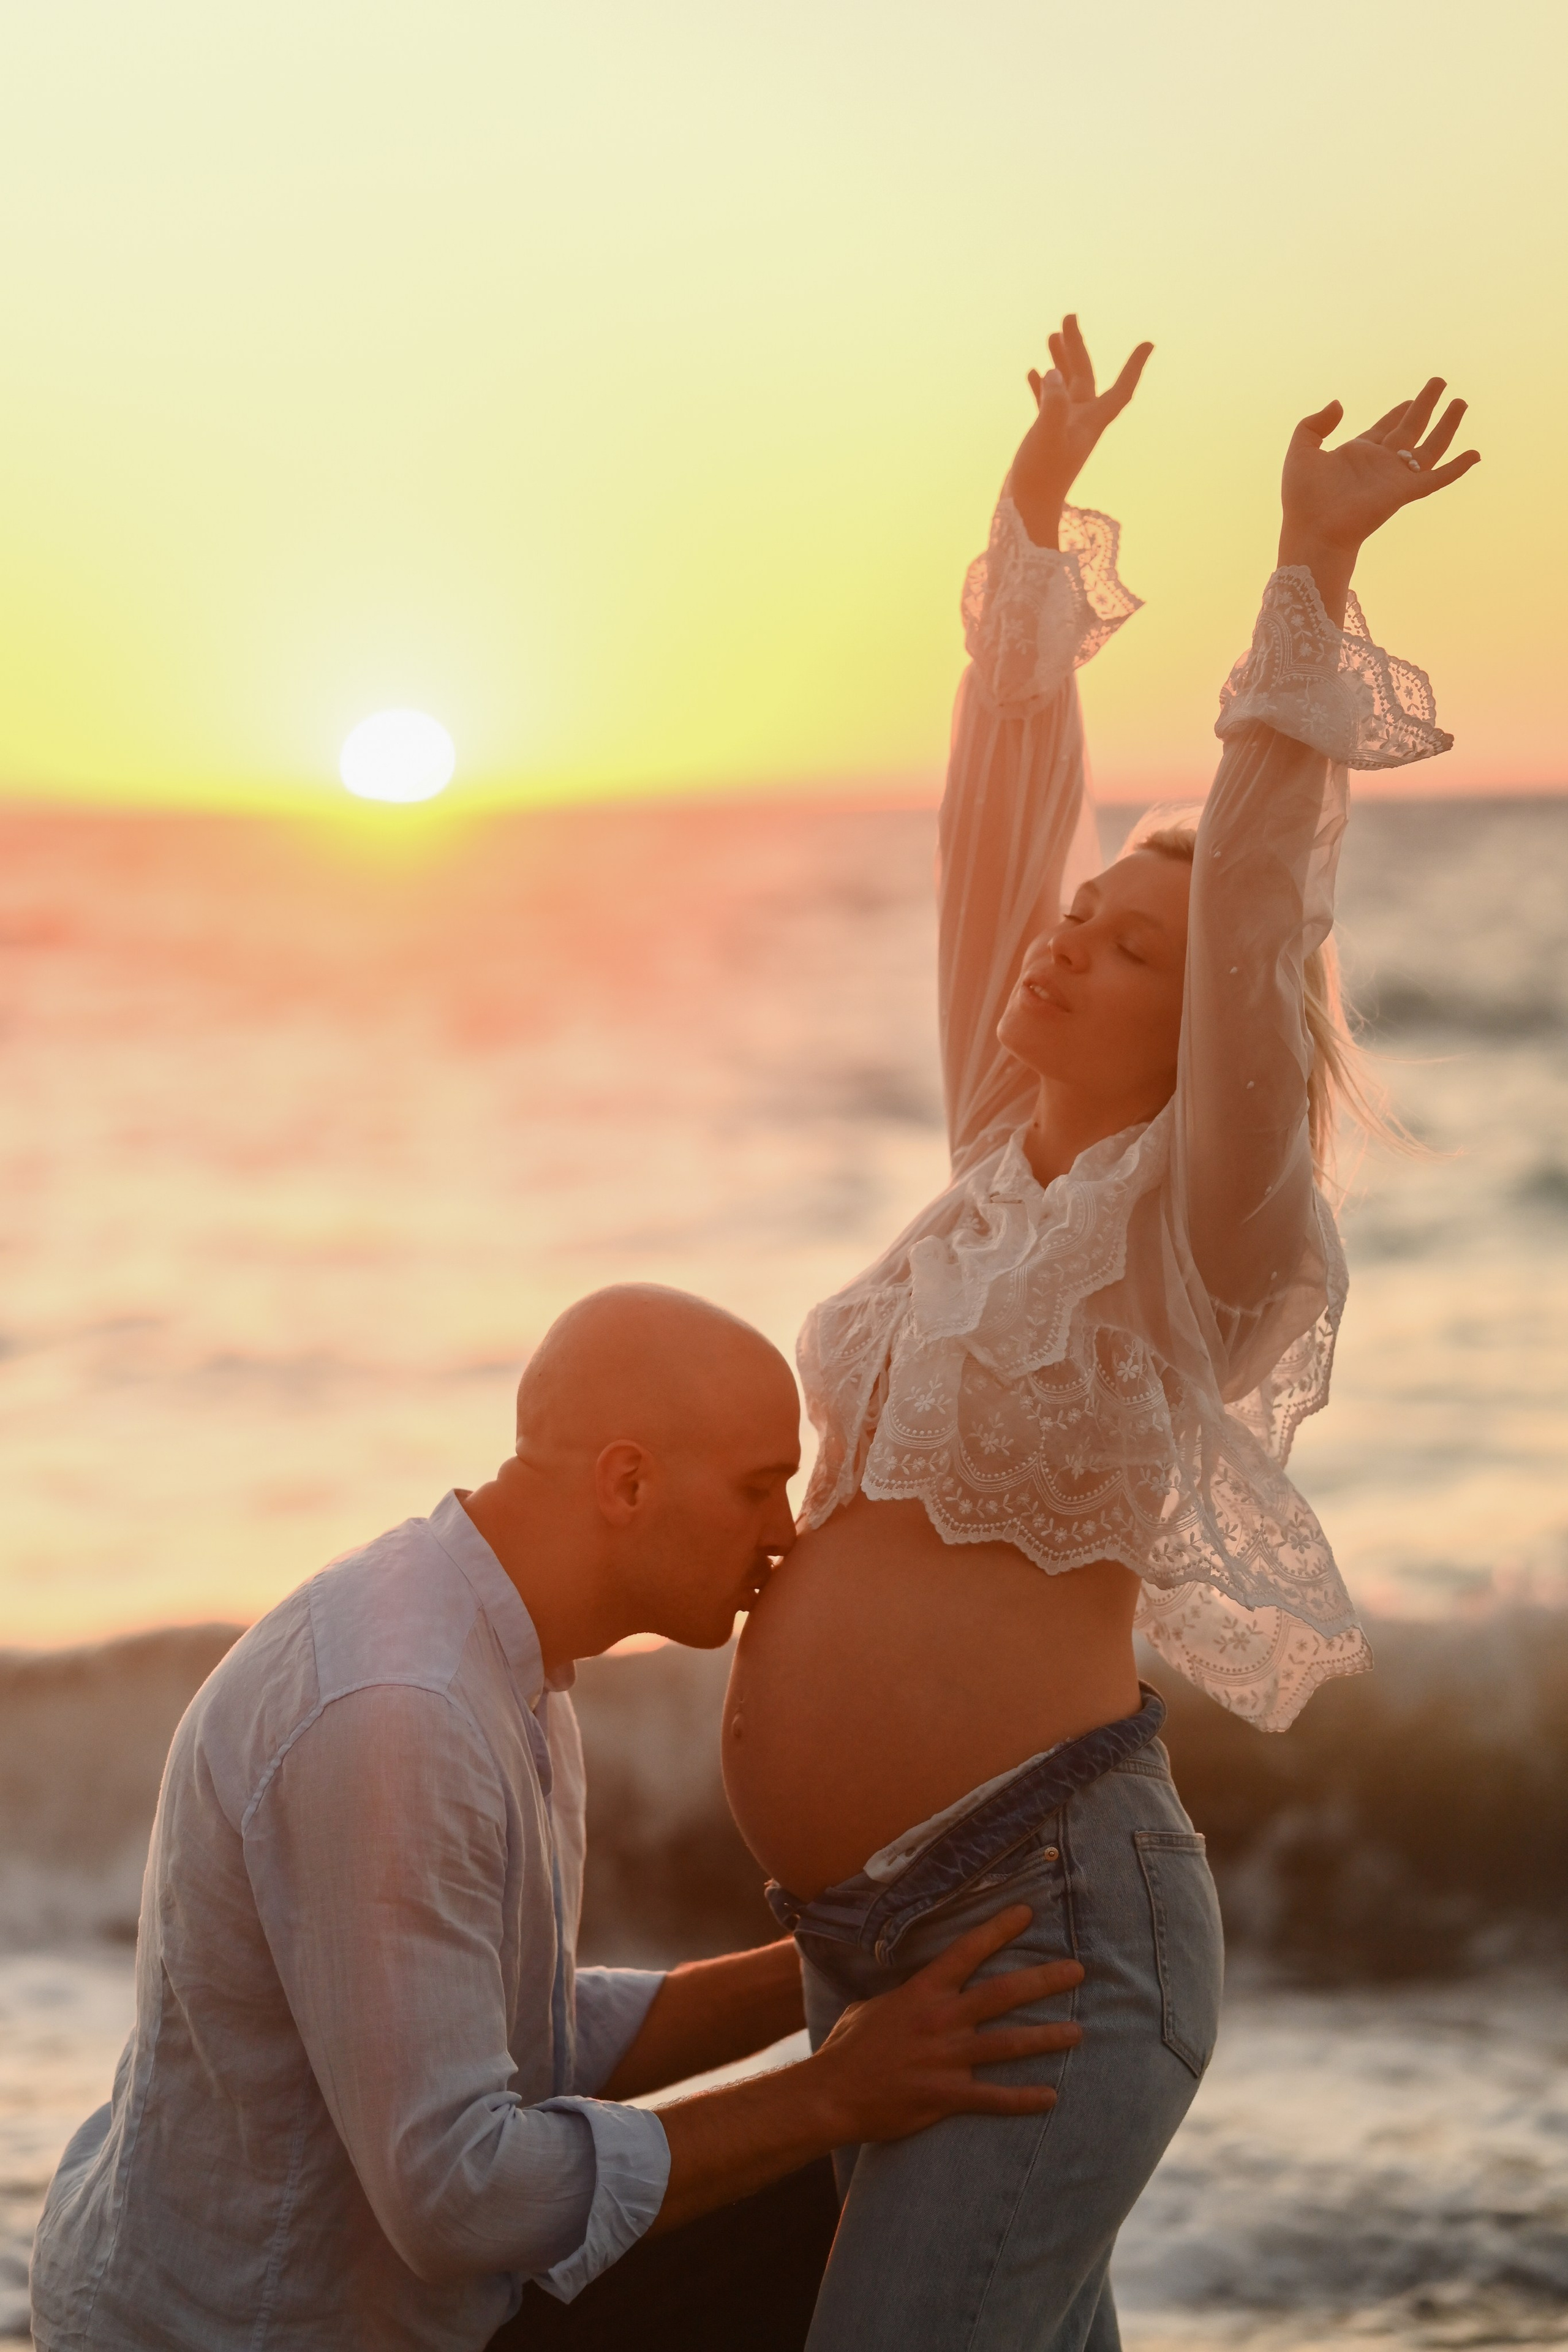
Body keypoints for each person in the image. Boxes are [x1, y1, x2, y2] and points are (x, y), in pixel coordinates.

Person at [723, 319, 1479, 2349]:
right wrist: (1037, 522)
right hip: (862, 1946)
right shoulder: (988, 1172)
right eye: (1084, 916)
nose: (1071, 934)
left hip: (1049, 1926)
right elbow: (999, 815)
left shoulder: (1207, 1232)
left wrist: (1310, 578)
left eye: (1127, 947)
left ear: (1196, 1029)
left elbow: (1252, 906)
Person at [29, 1284, 1088, 2352]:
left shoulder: (506, 1657)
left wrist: (840, 1958)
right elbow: (458, 2197)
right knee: (897, 2175)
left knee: (936, 2176)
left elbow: (516, 2039)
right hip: (244, 2336)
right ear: (627, 1480)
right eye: (759, 1488)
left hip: (361, 2300)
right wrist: (833, 2093)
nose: (786, 1534)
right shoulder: (397, 1712)